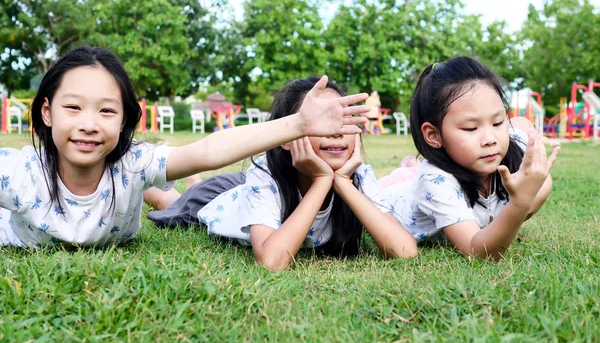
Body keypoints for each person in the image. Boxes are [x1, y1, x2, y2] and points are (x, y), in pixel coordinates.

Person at [0, 47, 370, 249]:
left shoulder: (132, 163)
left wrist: (299, 124)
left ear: (126, 119)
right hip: (18, 234)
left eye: (107, 110)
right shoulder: (19, 173)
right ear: (47, 112)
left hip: (136, 183)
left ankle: (159, 192)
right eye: (73, 107)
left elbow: (208, 151)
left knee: (162, 192)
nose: (89, 123)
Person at [146, 77, 417, 270]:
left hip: (252, 193)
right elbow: (272, 261)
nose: (336, 130)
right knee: (173, 206)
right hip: (219, 200)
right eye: (324, 121)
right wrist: (323, 181)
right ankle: (158, 189)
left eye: (343, 120)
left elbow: (404, 252)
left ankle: (191, 184)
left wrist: (342, 182)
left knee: (191, 194)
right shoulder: (265, 173)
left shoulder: (359, 176)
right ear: (288, 136)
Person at [385, 56, 560, 260]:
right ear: (434, 135)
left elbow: (522, 123)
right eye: (471, 128)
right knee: (413, 178)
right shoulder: (435, 182)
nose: (490, 139)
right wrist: (520, 203)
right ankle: (409, 169)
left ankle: (411, 167)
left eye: (497, 122)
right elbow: (477, 252)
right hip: (397, 197)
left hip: (425, 179)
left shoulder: (512, 142)